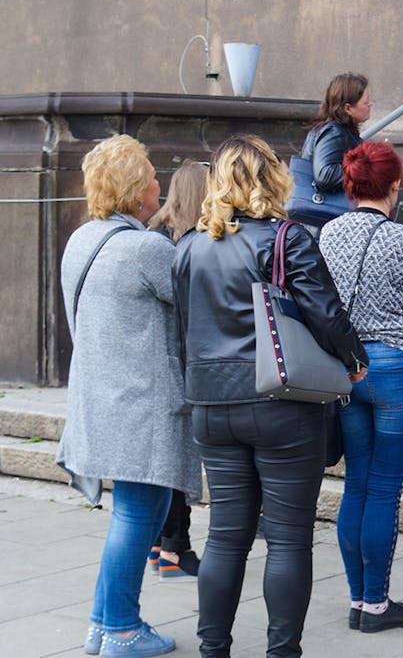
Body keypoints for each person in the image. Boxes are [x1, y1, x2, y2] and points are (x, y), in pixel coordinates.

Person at [173, 135, 368, 658]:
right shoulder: (286, 238)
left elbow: (181, 330)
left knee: (224, 537)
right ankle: (282, 652)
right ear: (272, 176)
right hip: (280, 399)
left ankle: (212, 649)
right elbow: (326, 314)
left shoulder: (188, 244)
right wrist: (353, 361)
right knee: (286, 538)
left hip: (211, 404)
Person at [59, 135, 203, 657]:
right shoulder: (146, 248)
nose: (158, 183)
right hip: (142, 404)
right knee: (139, 515)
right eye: (149, 174)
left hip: (101, 400)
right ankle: (121, 628)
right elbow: (196, 305)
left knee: (133, 513)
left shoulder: (82, 239)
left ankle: (103, 623)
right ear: (134, 190)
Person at [319, 141, 403, 633]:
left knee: (356, 482)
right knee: (385, 489)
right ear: (395, 184)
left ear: (351, 185)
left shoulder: (329, 235)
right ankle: (376, 604)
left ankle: (359, 599)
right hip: (399, 370)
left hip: (347, 369)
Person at [144, 158, 210, 582]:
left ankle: (156, 544)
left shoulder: (152, 232)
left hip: (153, 360)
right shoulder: (189, 242)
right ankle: (176, 549)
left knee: (164, 458)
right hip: (181, 362)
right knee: (179, 458)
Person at [300, 72, 370, 216]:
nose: (370, 104)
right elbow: (325, 176)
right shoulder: (334, 132)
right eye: (366, 101)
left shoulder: (340, 131)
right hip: (323, 218)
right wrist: (366, 166)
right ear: (348, 108)